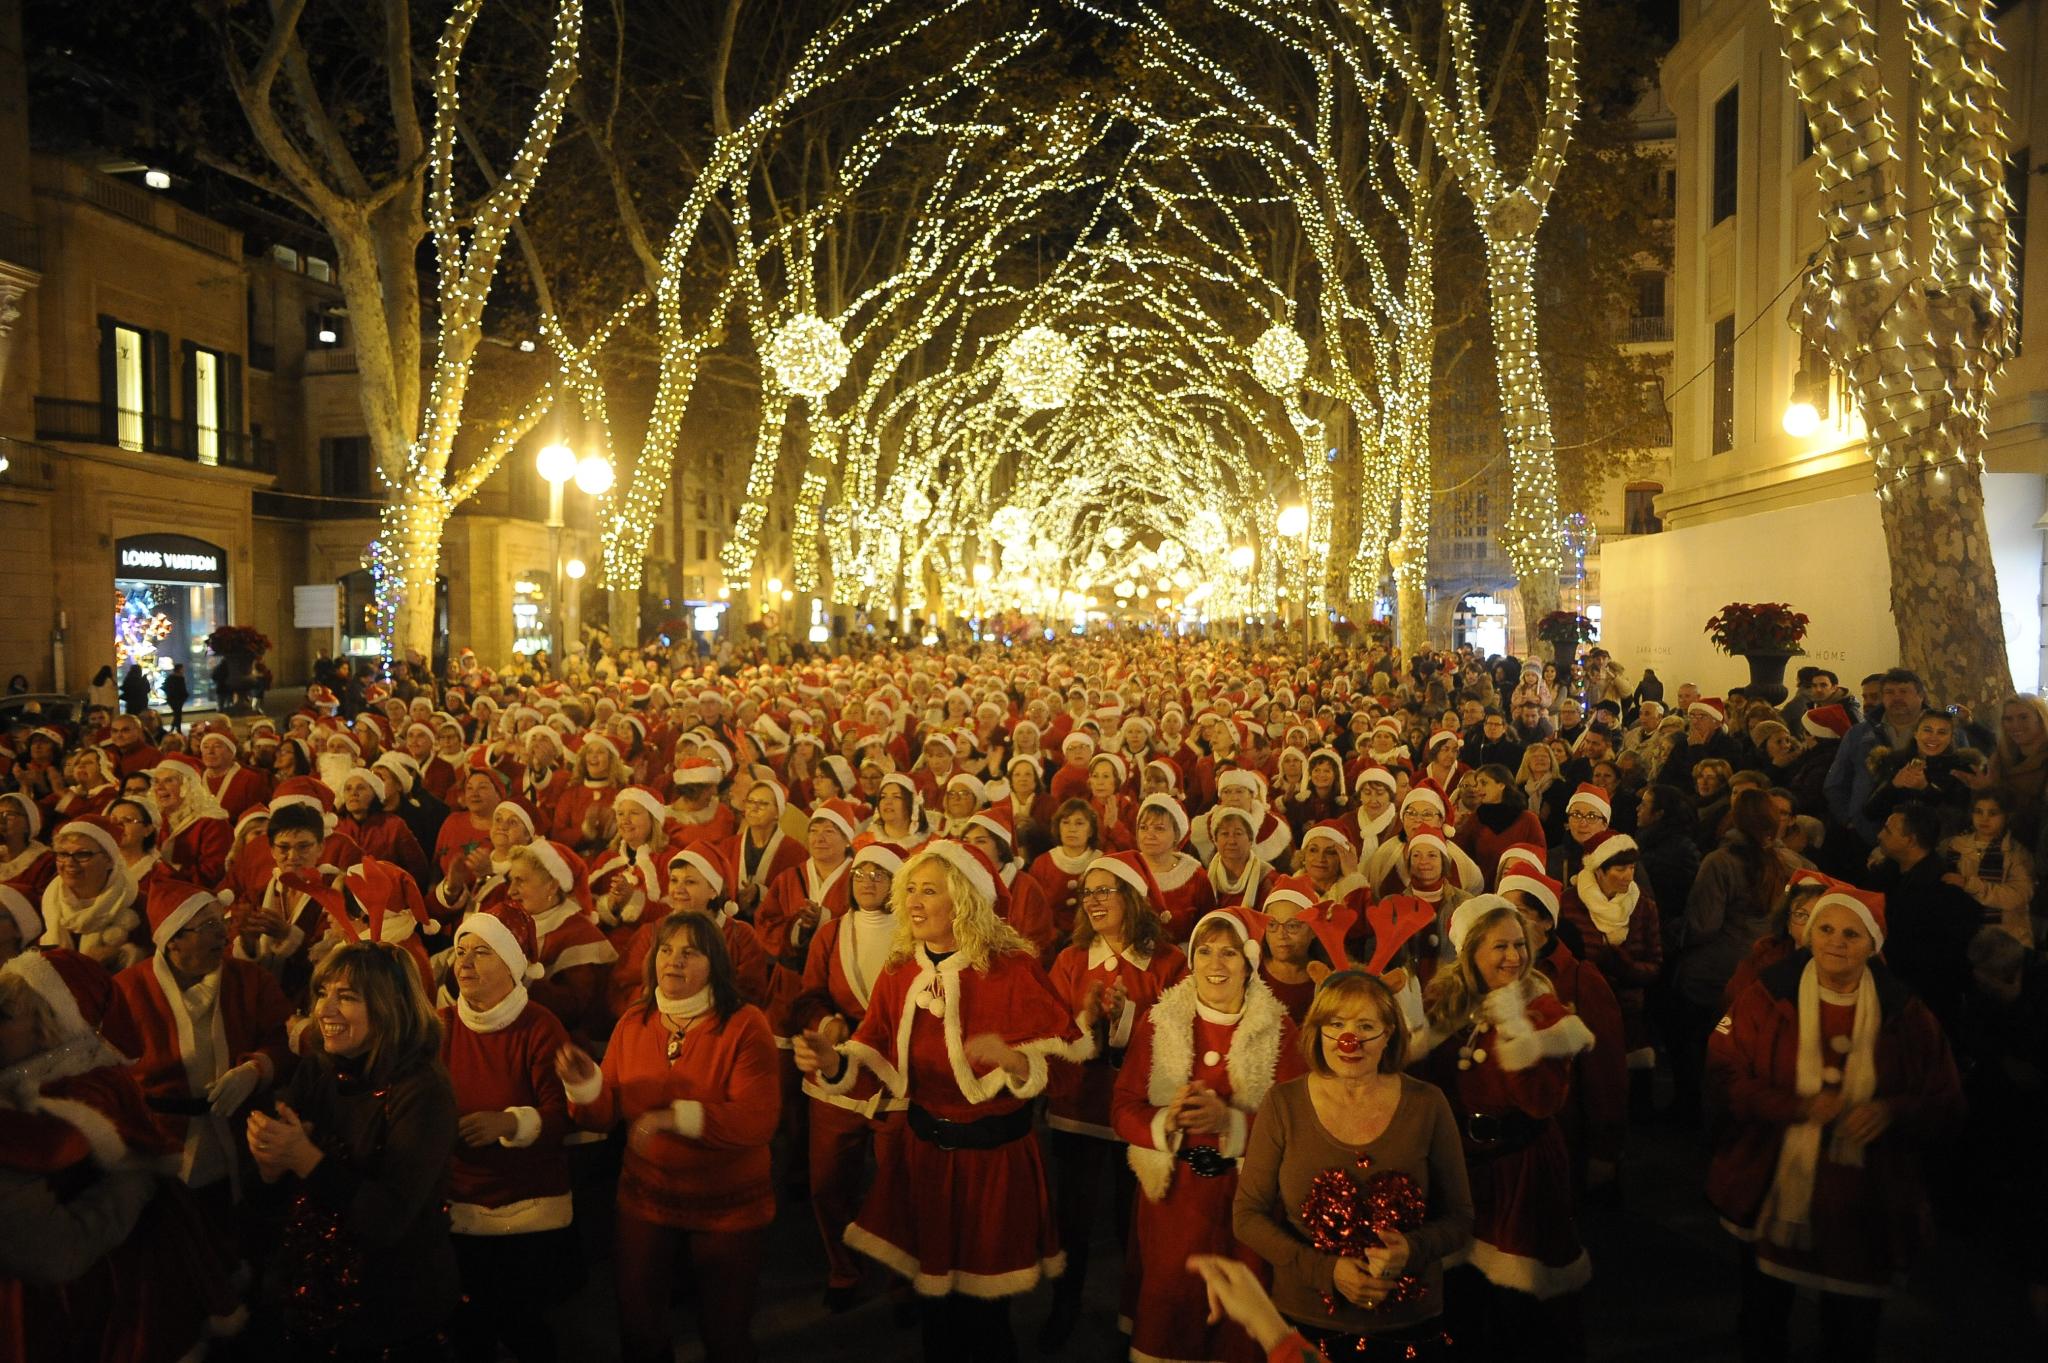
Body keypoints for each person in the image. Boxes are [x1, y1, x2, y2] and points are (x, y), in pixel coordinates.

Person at [793, 841, 1086, 1363]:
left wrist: (1017, 1063)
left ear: (965, 899)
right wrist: (834, 1063)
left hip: (993, 1166)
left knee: (986, 1320)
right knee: (936, 1316)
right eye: (910, 889)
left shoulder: (1012, 970)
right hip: (924, 1157)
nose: (912, 901)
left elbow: (1065, 1071)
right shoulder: (900, 970)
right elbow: (874, 1056)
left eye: (929, 890)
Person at [1706, 879, 1963, 1363]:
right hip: (1773, 1184)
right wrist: (1794, 1107)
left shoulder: (1906, 1015)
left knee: (1851, 1330)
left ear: (1874, 944)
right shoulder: (1767, 997)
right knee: (1764, 1315)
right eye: (1825, 928)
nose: (1835, 942)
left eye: (1851, 934)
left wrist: (1891, 1111)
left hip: (1863, 1201)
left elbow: (1945, 1097)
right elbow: (1725, 1072)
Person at [557, 910, 780, 1363]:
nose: (673, 961)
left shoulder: (744, 1024)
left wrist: (673, 1119)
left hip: (727, 1203)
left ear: (715, 964)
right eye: (666, 950)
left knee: (726, 1333)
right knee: (639, 1326)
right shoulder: (636, 1021)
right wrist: (585, 1084)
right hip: (647, 1197)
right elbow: (603, 1116)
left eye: (690, 953)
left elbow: (757, 1119)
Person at [1233, 970, 1473, 1358]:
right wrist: (1325, 1271)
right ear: (1318, 1031)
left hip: (1409, 1323)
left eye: (1366, 1025)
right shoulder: (1283, 1105)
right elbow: (1247, 1215)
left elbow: (1460, 1218)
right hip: (1306, 1323)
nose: (1350, 1039)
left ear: (1390, 1033)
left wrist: (1410, 1250)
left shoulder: (1428, 1104)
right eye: (1337, 1024)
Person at [247, 939, 460, 1359]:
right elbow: (273, 1199)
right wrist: (270, 1164)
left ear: (387, 1008)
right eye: (323, 993)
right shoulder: (318, 1070)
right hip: (312, 1291)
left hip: (393, 1305)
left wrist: (304, 1158)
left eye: (346, 997)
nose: (324, 1011)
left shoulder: (423, 1091)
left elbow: (388, 1218)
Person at [1113, 903, 1305, 1363]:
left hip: (1247, 1203)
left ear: (1249, 962)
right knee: (1170, 1312)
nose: (1215, 965)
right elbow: (1122, 1109)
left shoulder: (1279, 1029)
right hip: (1172, 1201)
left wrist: (1230, 1124)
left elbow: (1297, 1125)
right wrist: (1166, 1121)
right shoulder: (1159, 1022)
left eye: (1229, 953)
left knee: (1238, 1325)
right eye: (1204, 952)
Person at [1039, 851, 1187, 1347]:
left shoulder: (1170, 962)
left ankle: (1140, 1316)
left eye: (1106, 890)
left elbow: (1178, 1038)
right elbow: (1054, 1032)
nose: (1095, 900)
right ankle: (1065, 1303)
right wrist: (1085, 1019)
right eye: (1089, 892)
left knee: (1137, 1221)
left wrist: (1125, 1022)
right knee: (1073, 1218)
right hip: (1079, 1105)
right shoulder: (1070, 958)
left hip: (1140, 1110)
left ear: (1132, 898)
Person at [440, 906, 577, 1363]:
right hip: (459, 1203)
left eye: (481, 952)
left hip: (527, 1204)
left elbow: (561, 1116)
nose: (465, 962)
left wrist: (512, 1123)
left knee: (522, 1324)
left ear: (511, 964)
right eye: (461, 951)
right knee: (467, 1327)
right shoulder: (440, 1025)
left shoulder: (539, 1026)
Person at [111, 877, 293, 1219]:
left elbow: (286, 1042)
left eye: (221, 922)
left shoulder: (250, 981)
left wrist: (256, 1070)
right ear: (173, 938)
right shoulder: (127, 991)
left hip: (240, 1144)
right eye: (209, 926)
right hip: (158, 1150)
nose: (224, 934)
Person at [784, 841, 911, 1311]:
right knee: (828, 1182)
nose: (869, 881)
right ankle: (843, 1266)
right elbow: (808, 996)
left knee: (898, 1185)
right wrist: (826, 1024)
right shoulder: (831, 933)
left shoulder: (914, 935)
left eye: (881, 874)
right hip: (836, 1077)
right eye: (862, 873)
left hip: (895, 1077)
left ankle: (901, 1276)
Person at [1942, 790, 2035, 946]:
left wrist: (1970, 884)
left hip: (2006, 936)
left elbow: (2018, 896)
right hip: (1963, 931)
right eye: (1979, 812)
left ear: (2007, 816)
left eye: (1993, 813)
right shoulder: (1954, 845)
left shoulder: (2017, 853)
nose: (1984, 818)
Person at [164, 665, 188, 734]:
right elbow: (182, 689)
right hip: (178, 699)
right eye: (182, 669)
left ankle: (174, 729)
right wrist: (184, 696)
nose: (183, 670)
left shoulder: (170, 678)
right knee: (178, 714)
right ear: (179, 670)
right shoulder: (180, 678)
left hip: (172, 699)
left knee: (177, 714)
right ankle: (176, 729)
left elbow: (166, 687)